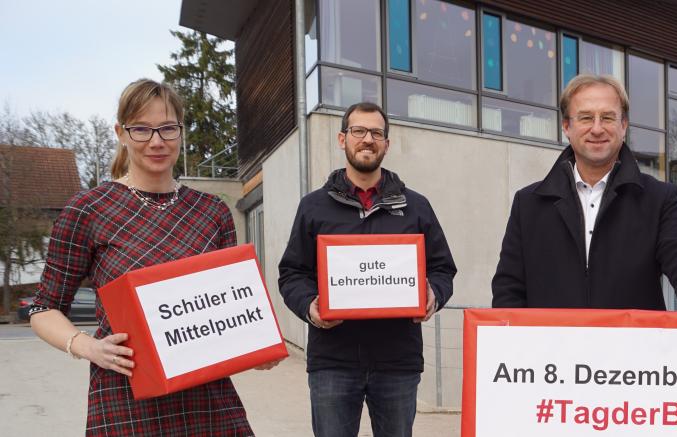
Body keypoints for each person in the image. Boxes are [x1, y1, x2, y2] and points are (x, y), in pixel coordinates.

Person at [28, 78, 275, 435]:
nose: (156, 141)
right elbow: (43, 308)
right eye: (142, 129)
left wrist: (257, 347)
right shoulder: (88, 209)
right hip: (126, 397)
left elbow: (230, 305)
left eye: (167, 129)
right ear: (121, 133)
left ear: (180, 132)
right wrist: (87, 347)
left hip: (207, 398)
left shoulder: (213, 212)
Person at [279, 101, 457, 437]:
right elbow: (292, 273)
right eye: (359, 131)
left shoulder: (416, 206)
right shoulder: (313, 206)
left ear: (386, 144)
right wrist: (309, 306)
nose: (368, 139)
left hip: (397, 361)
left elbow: (442, 268)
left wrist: (433, 295)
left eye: (376, 133)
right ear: (342, 139)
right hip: (333, 360)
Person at [492, 74, 677, 316]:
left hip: (633, 348)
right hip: (550, 351)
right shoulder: (528, 203)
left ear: (624, 125)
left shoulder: (659, 198)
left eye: (607, 117)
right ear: (566, 126)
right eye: (586, 118)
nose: (597, 128)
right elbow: (508, 288)